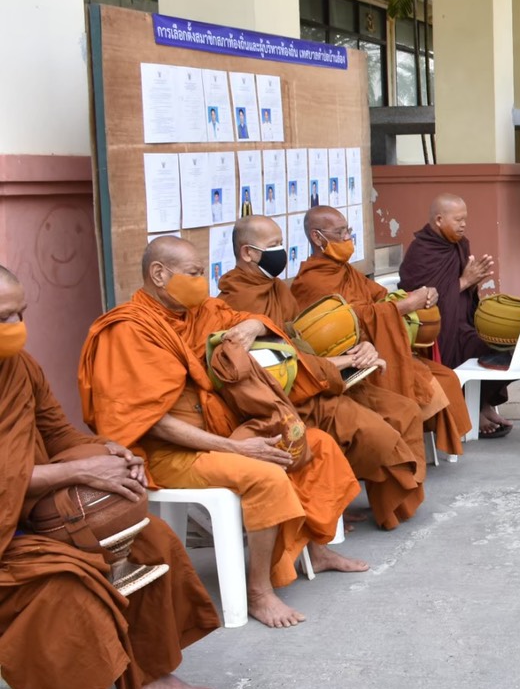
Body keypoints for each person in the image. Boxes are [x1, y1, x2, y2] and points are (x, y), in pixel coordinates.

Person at [78, 237, 367, 629]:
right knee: (264, 476)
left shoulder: (200, 312)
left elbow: (246, 319)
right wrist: (234, 448)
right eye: (195, 274)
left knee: (315, 443)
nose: (203, 283)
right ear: (159, 275)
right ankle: (259, 591)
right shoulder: (129, 331)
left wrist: (249, 326)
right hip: (172, 453)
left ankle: (316, 548)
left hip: (225, 432)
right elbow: (151, 421)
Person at [0, 264, 220, 689]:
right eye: (3, 316)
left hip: (32, 513)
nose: (16, 326)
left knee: (151, 538)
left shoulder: (20, 368)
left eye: (21, 313)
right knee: (65, 585)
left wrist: (108, 450)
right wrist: (76, 475)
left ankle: (147, 677)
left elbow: (57, 434)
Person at [219, 215, 427, 530]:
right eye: (274, 245)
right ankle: (354, 508)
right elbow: (273, 364)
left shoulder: (278, 288)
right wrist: (340, 365)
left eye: (281, 243)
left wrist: (358, 351)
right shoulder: (234, 300)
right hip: (287, 401)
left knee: (403, 410)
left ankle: (370, 503)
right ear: (248, 253)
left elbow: (302, 340)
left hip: (319, 381)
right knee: (378, 435)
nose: (281, 251)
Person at [292, 206, 472, 453]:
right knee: (423, 386)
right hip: (351, 359)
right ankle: (403, 451)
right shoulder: (312, 279)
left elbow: (379, 297)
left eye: (349, 230)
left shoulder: (345, 270)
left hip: (376, 345)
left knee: (446, 377)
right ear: (317, 237)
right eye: (340, 232)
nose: (347, 238)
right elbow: (346, 319)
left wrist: (417, 295)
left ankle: (417, 447)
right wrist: (406, 305)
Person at [397, 195, 514, 438]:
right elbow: (424, 300)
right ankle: (474, 408)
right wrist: (463, 282)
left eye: (465, 219)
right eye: (458, 219)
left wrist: (472, 284)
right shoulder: (421, 252)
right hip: (437, 333)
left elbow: (462, 292)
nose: (463, 225)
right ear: (439, 220)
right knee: (487, 350)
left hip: (462, 323)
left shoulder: (460, 245)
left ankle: (482, 403)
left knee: (508, 346)